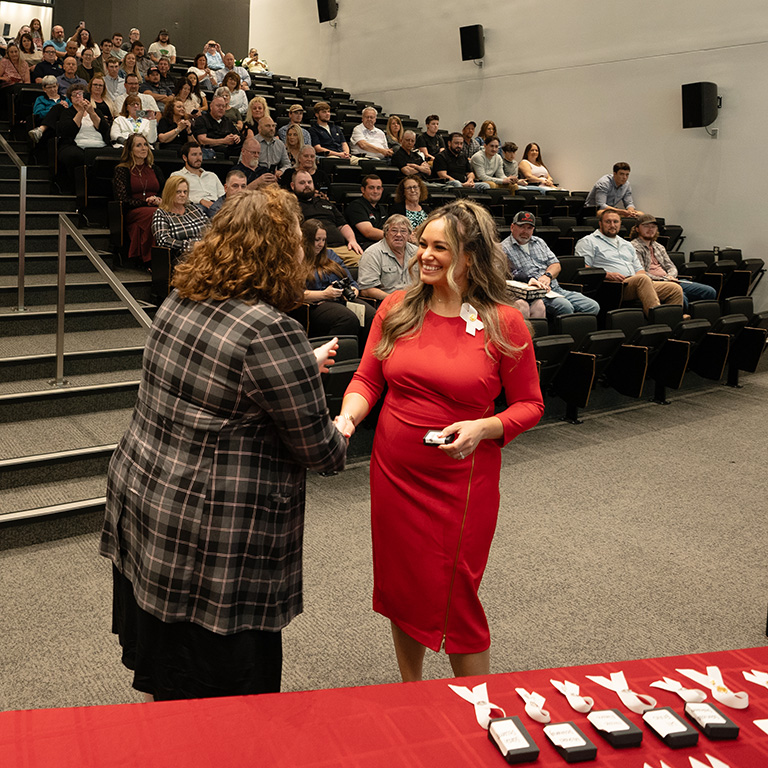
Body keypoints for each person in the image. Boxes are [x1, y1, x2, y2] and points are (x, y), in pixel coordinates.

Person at [102, 184, 346, 702]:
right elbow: (320, 451)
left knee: (167, 677)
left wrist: (299, 363)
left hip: (150, 502)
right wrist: (345, 419)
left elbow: (223, 380)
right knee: (219, 706)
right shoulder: (271, 331)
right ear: (281, 252)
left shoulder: (180, 298)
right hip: (212, 535)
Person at [336, 199, 544, 682]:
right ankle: (414, 692)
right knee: (404, 587)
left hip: (461, 480)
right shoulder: (395, 307)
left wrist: (485, 426)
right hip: (394, 473)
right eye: (421, 243)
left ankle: (475, 705)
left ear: (470, 256)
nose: (423, 254)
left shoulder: (504, 322)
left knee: (457, 593)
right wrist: (346, 420)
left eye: (439, 247)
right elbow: (368, 380)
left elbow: (530, 405)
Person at [575, 210, 684, 316]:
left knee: (674, 289)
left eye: (616, 222)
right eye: (608, 222)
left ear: (620, 223)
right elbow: (584, 268)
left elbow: (639, 270)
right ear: (600, 223)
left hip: (635, 283)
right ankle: (657, 320)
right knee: (643, 279)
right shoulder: (588, 242)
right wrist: (607, 275)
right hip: (611, 286)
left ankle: (673, 323)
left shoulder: (626, 244)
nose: (612, 225)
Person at [502, 211, 600, 318]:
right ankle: (563, 333)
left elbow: (556, 265)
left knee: (592, 306)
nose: (525, 231)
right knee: (566, 307)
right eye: (522, 227)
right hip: (534, 294)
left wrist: (547, 275)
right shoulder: (503, 248)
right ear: (512, 227)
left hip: (555, 289)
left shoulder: (539, 242)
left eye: (529, 228)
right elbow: (510, 276)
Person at [299, 218, 376, 348]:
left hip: (340, 298)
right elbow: (296, 293)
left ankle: (362, 356)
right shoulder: (298, 259)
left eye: (323, 240)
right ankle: (334, 358)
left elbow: (350, 280)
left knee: (372, 316)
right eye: (317, 240)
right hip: (315, 304)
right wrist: (324, 294)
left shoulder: (330, 255)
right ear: (306, 239)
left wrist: (353, 289)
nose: (321, 244)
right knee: (347, 319)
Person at [630, 214, 717, 309]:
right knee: (681, 295)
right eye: (646, 226)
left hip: (670, 280)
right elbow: (641, 273)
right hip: (654, 283)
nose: (650, 229)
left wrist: (670, 276)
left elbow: (671, 266)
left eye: (653, 227)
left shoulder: (658, 246)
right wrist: (664, 279)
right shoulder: (633, 247)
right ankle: (682, 319)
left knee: (709, 291)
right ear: (637, 229)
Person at [291, 170, 363, 265]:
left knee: (364, 262)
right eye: (302, 183)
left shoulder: (325, 203)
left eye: (309, 182)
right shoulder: (292, 206)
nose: (307, 185)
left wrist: (352, 240)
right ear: (292, 186)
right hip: (315, 250)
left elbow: (342, 225)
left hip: (341, 248)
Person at [113, 134, 164, 264]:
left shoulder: (155, 169)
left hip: (156, 207)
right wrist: (147, 202)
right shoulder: (122, 170)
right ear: (130, 150)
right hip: (133, 210)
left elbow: (164, 191)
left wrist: (160, 200)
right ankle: (152, 260)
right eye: (138, 145)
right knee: (155, 214)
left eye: (145, 144)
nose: (144, 148)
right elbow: (123, 199)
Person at [357, 214, 417, 300]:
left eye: (403, 231)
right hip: (386, 303)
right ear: (386, 233)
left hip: (415, 302)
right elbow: (366, 290)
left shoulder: (417, 252)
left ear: (409, 235)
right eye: (394, 230)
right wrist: (394, 300)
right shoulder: (372, 254)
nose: (399, 235)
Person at [151, 175, 209, 258]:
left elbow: (210, 228)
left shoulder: (193, 208)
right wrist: (190, 246)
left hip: (206, 250)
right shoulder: (161, 214)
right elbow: (163, 240)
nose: (183, 195)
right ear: (169, 192)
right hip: (182, 256)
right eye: (178, 192)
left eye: (185, 192)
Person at [170, 142, 225, 210]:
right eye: (194, 154)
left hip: (216, 206)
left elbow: (223, 195)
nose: (198, 158)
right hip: (194, 207)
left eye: (200, 154)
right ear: (185, 158)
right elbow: (176, 197)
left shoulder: (212, 175)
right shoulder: (177, 176)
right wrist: (200, 200)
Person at [345, 174, 388, 253]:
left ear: (382, 190)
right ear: (363, 190)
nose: (375, 191)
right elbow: (368, 232)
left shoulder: (382, 209)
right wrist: (394, 236)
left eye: (378, 188)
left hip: (382, 244)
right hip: (364, 247)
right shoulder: (356, 206)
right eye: (371, 188)